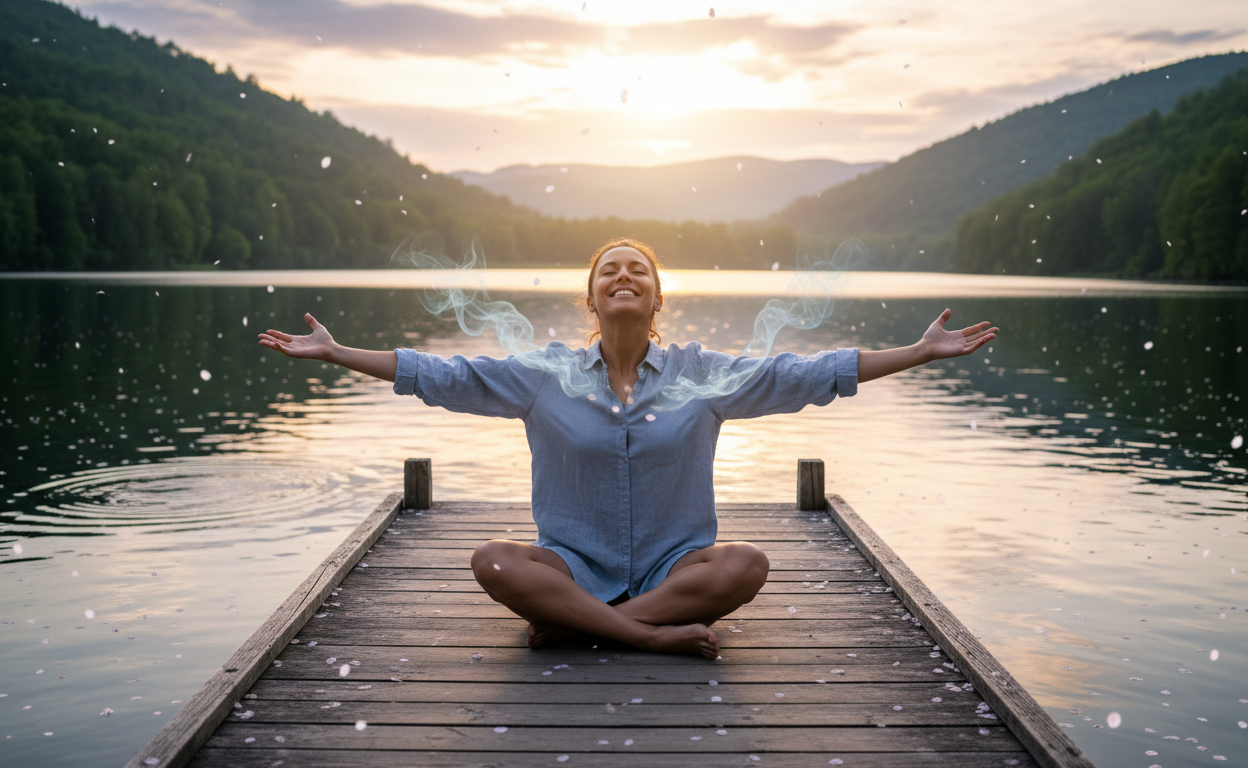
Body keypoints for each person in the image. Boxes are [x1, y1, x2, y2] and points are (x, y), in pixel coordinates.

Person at [258, 238, 997, 659]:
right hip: (572, 567)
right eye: (608, 270)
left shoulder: (703, 375)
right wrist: (336, 355)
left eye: (637, 269)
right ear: (590, 299)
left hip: (678, 566)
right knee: (492, 559)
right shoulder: (541, 375)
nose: (622, 276)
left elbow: (805, 374)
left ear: (657, 299)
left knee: (747, 564)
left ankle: (592, 625)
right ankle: (648, 637)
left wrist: (919, 353)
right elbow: (440, 376)